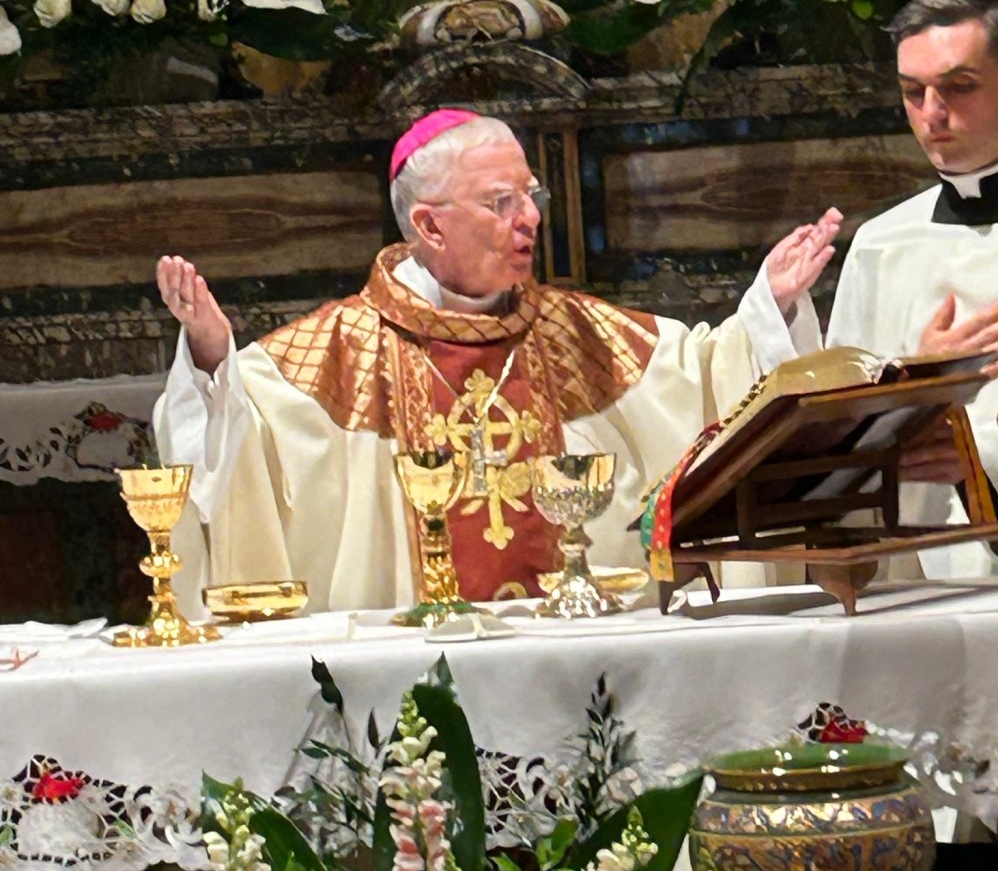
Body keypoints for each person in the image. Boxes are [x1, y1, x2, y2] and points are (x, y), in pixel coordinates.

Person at [154, 109, 841, 614]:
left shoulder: (579, 332)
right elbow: (236, 439)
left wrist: (769, 309)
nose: (530, 218)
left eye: (531, 196)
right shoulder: (337, 350)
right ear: (429, 225)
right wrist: (211, 353)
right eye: (500, 202)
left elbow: (710, 383)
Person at [826, 0, 998, 576]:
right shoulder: (881, 244)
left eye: (960, 87)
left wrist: (986, 463)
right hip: (918, 565)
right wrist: (912, 390)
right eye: (913, 92)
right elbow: (833, 429)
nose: (932, 114)